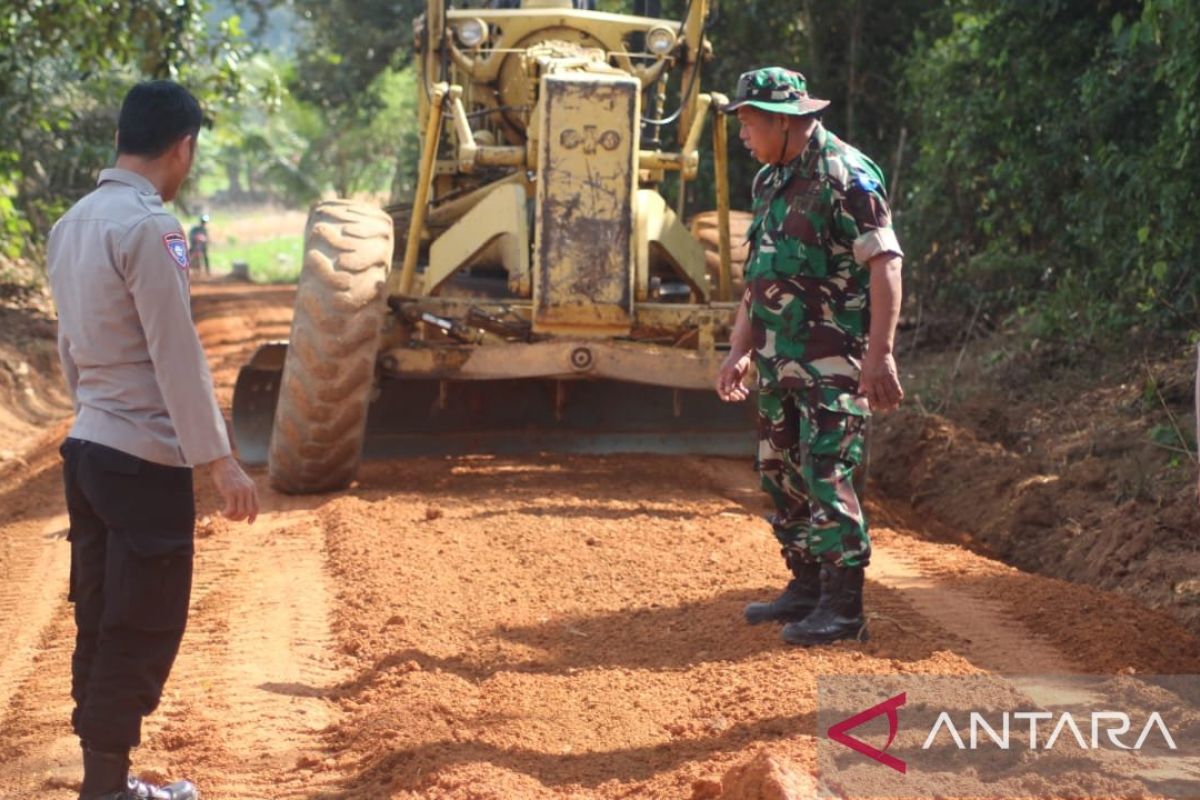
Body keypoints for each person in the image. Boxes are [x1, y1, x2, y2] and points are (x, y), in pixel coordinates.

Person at [47, 80, 260, 800]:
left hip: (87, 449)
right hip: (141, 460)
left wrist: (93, 416)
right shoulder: (150, 226)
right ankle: (106, 791)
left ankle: (107, 779)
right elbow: (176, 352)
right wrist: (219, 459)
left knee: (102, 616)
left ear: (120, 138)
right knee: (142, 627)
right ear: (184, 146)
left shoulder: (72, 222)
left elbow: (70, 347)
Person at [715, 67, 904, 646]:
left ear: (783, 119)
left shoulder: (847, 175)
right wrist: (739, 349)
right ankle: (805, 588)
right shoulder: (770, 181)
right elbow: (759, 276)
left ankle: (844, 610)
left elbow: (886, 264)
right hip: (777, 363)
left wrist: (881, 355)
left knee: (828, 474)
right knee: (781, 475)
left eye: (749, 122)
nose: (743, 134)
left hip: (834, 363)